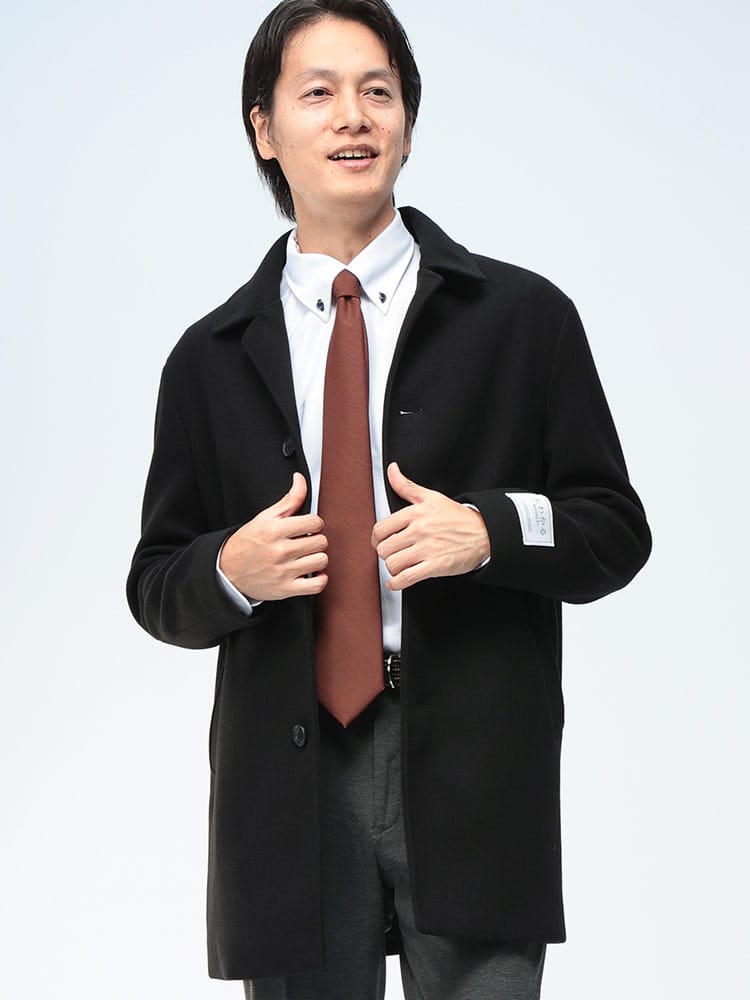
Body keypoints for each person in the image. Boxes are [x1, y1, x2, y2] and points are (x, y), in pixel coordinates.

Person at [127, 1, 652, 996]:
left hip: (473, 763)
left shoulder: (522, 320)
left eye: (378, 91)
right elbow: (157, 582)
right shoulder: (208, 358)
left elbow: (615, 528)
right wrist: (229, 570)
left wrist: (491, 529)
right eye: (318, 93)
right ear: (264, 128)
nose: (353, 117)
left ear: (409, 121)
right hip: (287, 778)